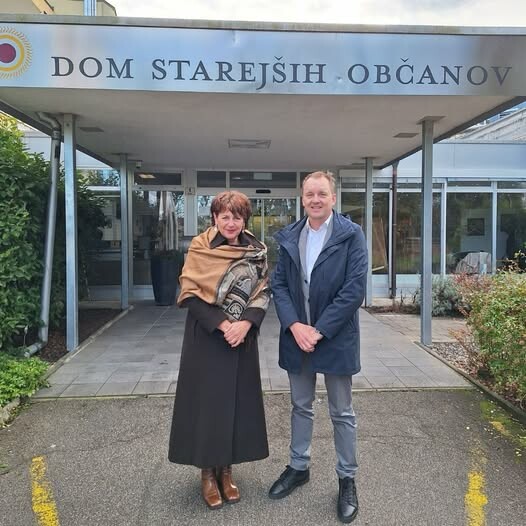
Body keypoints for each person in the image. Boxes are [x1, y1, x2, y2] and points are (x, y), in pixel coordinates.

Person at [268, 171, 367, 524]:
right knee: (300, 406)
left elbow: (355, 289)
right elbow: (279, 285)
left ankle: (347, 479)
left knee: (342, 411)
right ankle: (299, 467)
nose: (315, 199)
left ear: (333, 198)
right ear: (302, 198)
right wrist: (295, 326)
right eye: (309, 194)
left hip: (335, 336)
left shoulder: (351, 235)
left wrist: (320, 330)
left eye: (321, 193)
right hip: (298, 337)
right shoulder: (290, 236)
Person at [168, 190, 270, 510]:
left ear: (245, 220)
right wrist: (225, 325)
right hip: (208, 337)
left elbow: (262, 290)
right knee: (208, 406)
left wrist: (246, 324)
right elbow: (190, 292)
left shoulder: (256, 250)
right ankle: (207, 475)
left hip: (241, 339)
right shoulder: (201, 247)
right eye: (224, 216)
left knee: (235, 406)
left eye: (237, 217)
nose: (230, 222)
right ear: (214, 217)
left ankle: (226, 472)